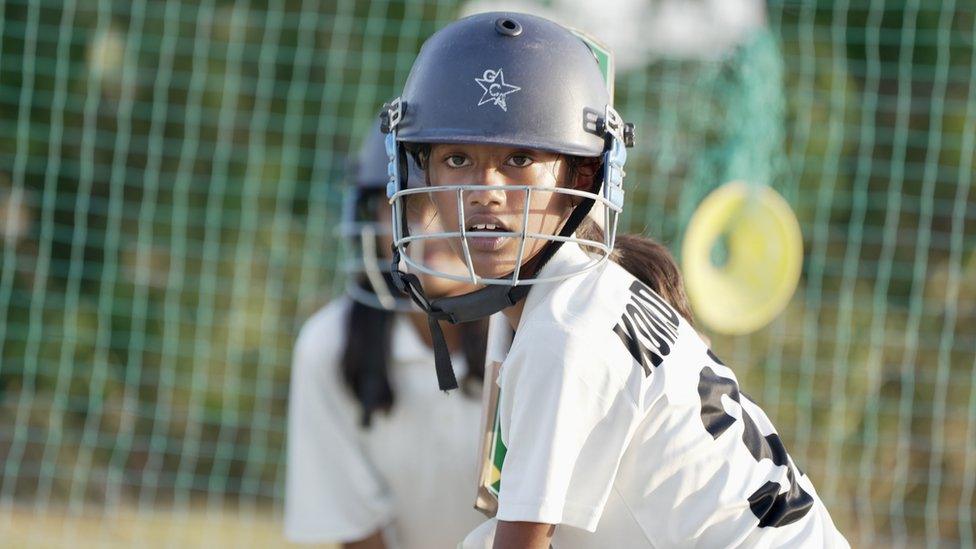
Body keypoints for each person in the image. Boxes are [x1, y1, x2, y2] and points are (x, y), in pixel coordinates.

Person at [380, 12, 849, 548]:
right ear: (423, 171)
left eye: (518, 158)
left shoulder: (563, 330)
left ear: (581, 176)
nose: (485, 190)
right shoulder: (585, 293)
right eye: (457, 158)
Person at [284, 122, 489, 548]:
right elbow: (355, 528)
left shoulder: (534, 333)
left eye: (446, 205)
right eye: (405, 207)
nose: (427, 231)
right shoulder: (331, 344)